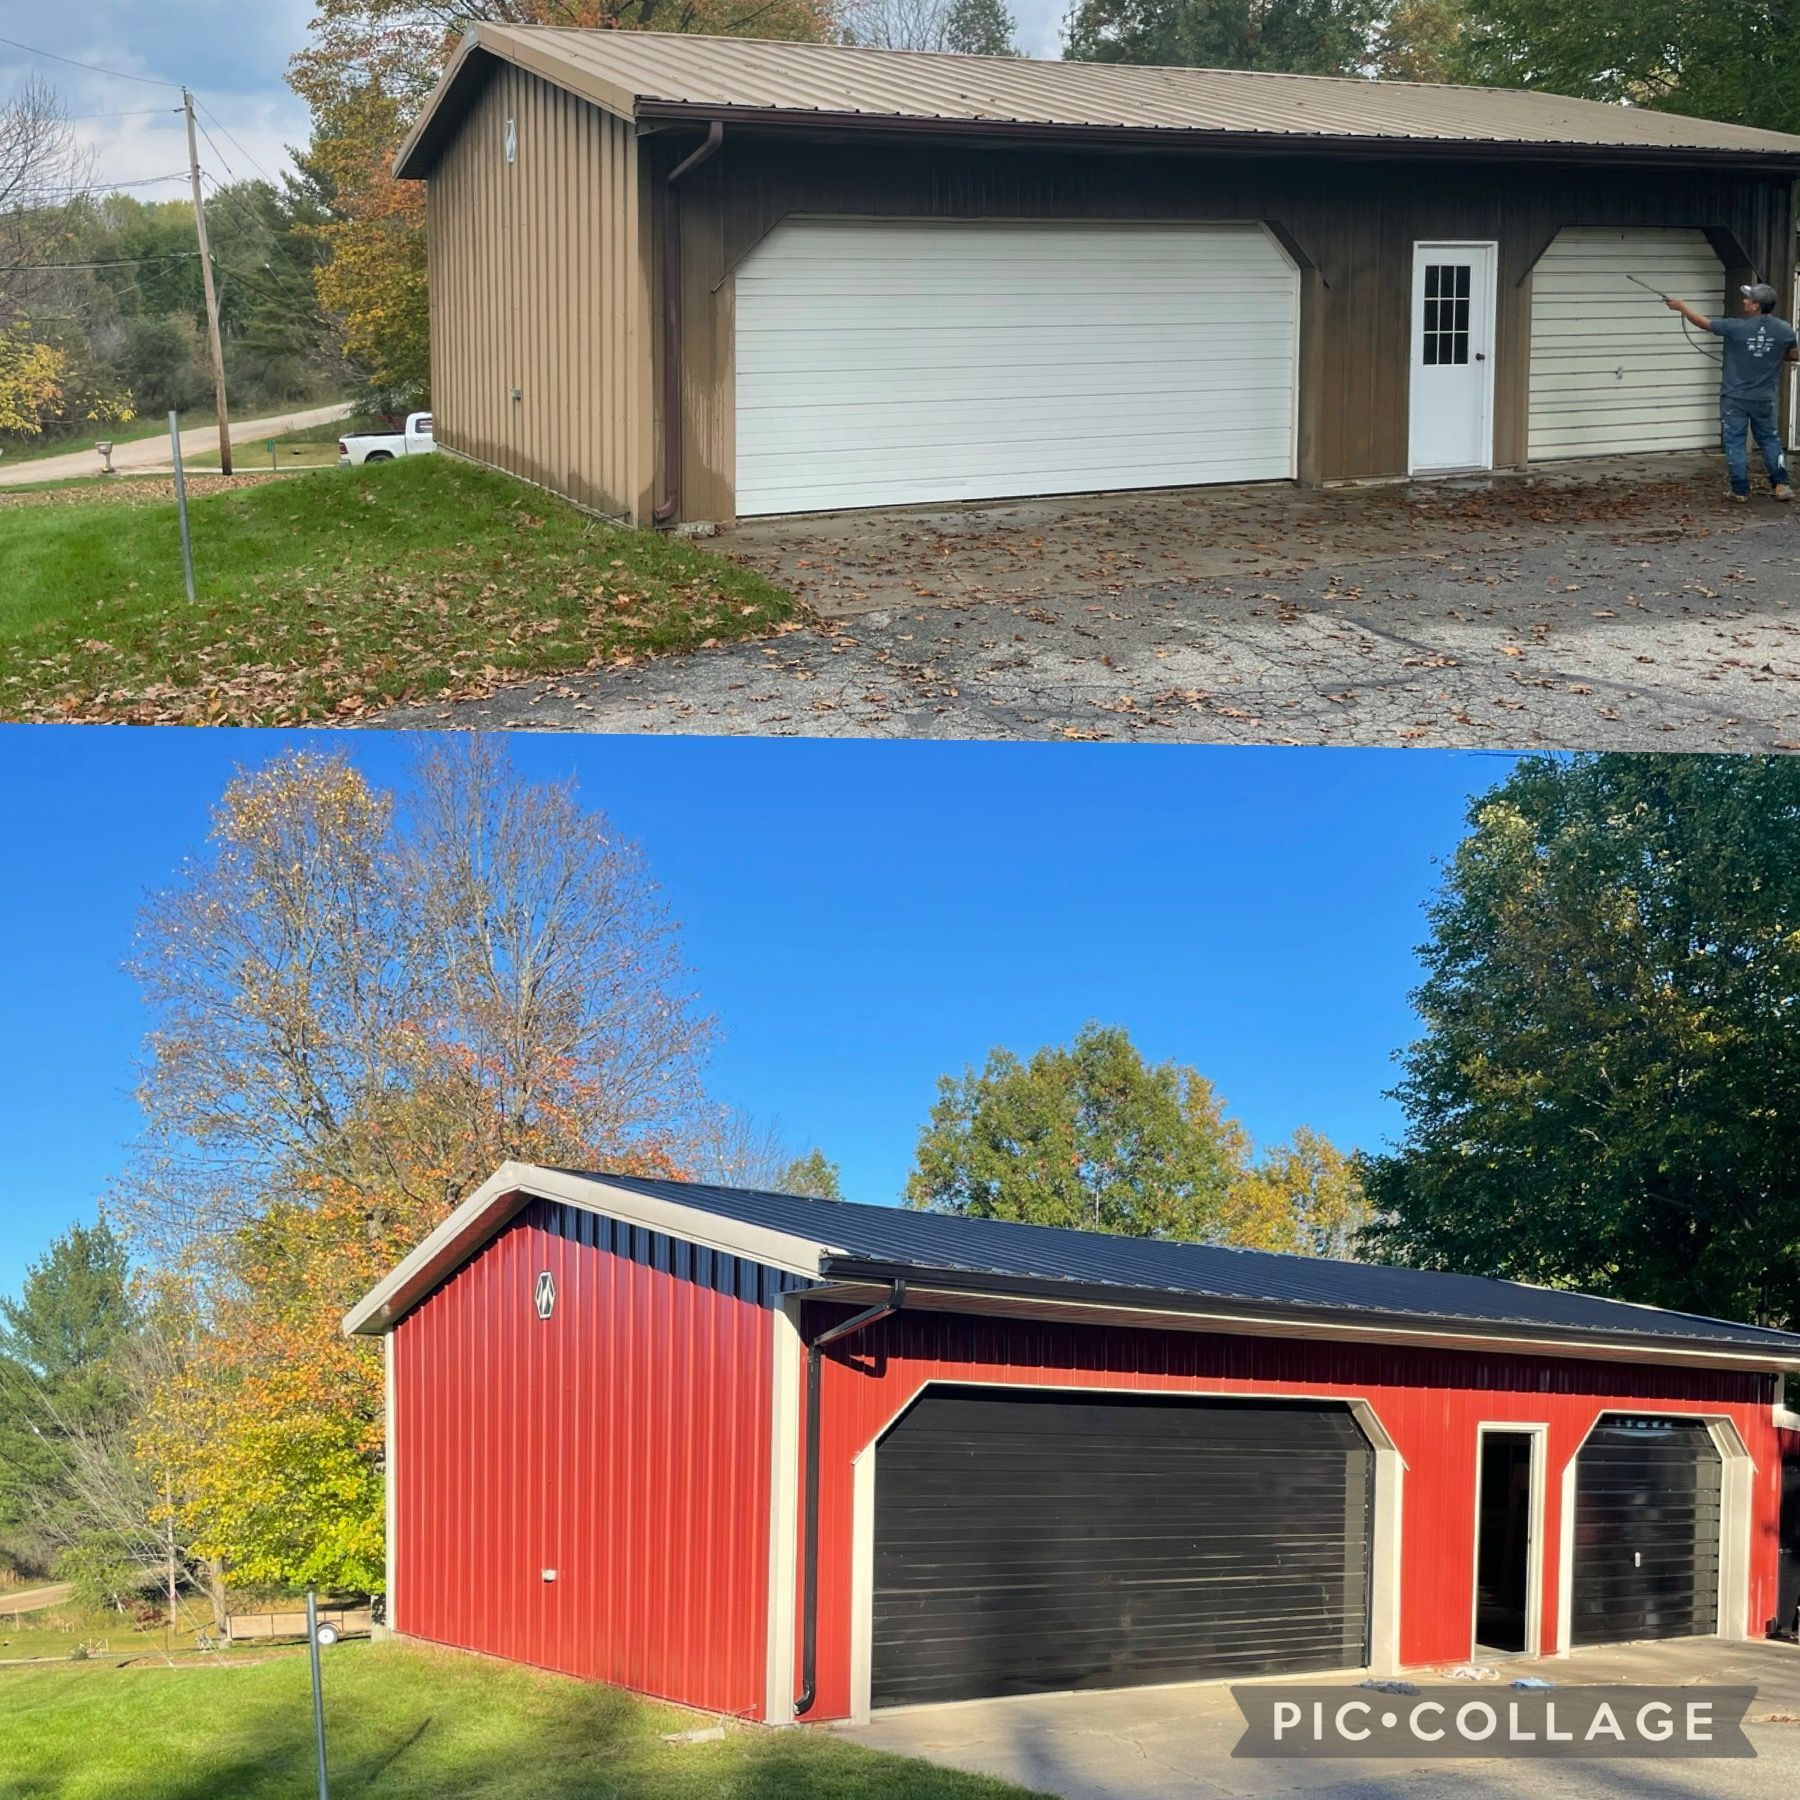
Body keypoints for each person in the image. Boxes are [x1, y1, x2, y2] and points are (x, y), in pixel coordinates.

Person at [1664, 283, 1798, 501]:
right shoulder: (1784, 329)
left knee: (1735, 442)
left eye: (1748, 299)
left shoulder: (1736, 327)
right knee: (1770, 440)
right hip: (1765, 398)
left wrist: (1682, 307)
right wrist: (1769, 355)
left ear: (1756, 306)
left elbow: (1704, 323)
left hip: (1734, 397)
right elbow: (1793, 354)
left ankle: (1740, 490)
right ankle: (1781, 485)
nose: (1744, 301)